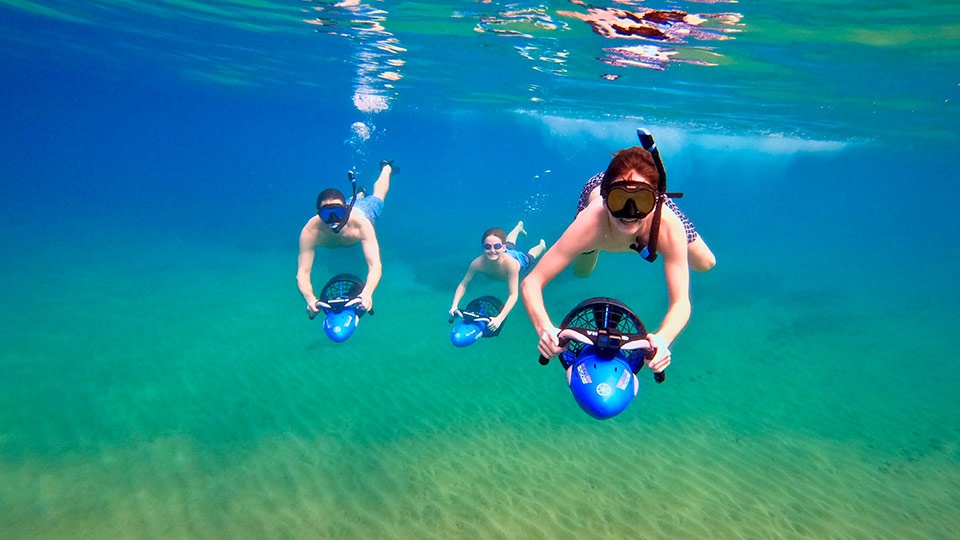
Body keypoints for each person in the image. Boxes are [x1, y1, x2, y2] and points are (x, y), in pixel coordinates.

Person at [521, 146, 715, 375]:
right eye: (619, 199)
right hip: (599, 211)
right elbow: (531, 283)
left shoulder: (668, 227)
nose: (629, 212)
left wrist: (663, 339)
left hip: (653, 213)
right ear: (606, 198)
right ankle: (593, 245)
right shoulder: (589, 223)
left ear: (656, 200)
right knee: (583, 271)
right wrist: (544, 328)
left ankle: (637, 198)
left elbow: (681, 302)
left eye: (640, 200)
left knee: (706, 263)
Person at [298, 161, 393, 318]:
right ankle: (360, 193)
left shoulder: (361, 225)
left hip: (364, 210)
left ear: (345, 210)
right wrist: (309, 298)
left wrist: (367, 293)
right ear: (318, 214)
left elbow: (375, 264)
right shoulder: (310, 231)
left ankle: (386, 168)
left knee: (378, 197)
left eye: (338, 212)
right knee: (353, 199)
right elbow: (302, 272)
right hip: (349, 205)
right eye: (327, 214)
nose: (334, 219)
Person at [450, 221, 547, 333]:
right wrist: (454, 306)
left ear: (502, 247)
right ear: (483, 248)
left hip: (517, 260)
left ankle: (541, 245)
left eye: (497, 246)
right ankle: (518, 227)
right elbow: (463, 284)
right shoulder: (477, 264)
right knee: (510, 245)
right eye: (487, 247)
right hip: (505, 253)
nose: (492, 250)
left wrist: (500, 318)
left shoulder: (511, 265)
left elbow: (513, 295)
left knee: (530, 257)